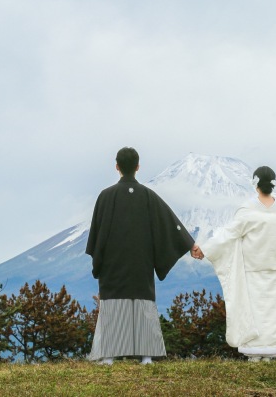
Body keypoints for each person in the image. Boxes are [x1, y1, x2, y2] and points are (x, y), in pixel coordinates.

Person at [86, 147, 201, 365]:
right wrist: (190, 243)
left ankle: (109, 356)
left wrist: (98, 259)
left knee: (113, 304)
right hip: (141, 262)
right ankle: (147, 356)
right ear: (138, 167)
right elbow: (170, 222)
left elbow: (96, 234)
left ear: (116, 167)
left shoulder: (106, 196)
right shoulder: (148, 196)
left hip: (112, 263)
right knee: (142, 303)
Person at [194, 166, 276, 362]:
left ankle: (254, 352)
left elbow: (228, 234)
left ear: (255, 184)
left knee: (253, 309)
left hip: (252, 268)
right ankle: (271, 350)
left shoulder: (248, 210)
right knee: (272, 312)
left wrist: (205, 248)